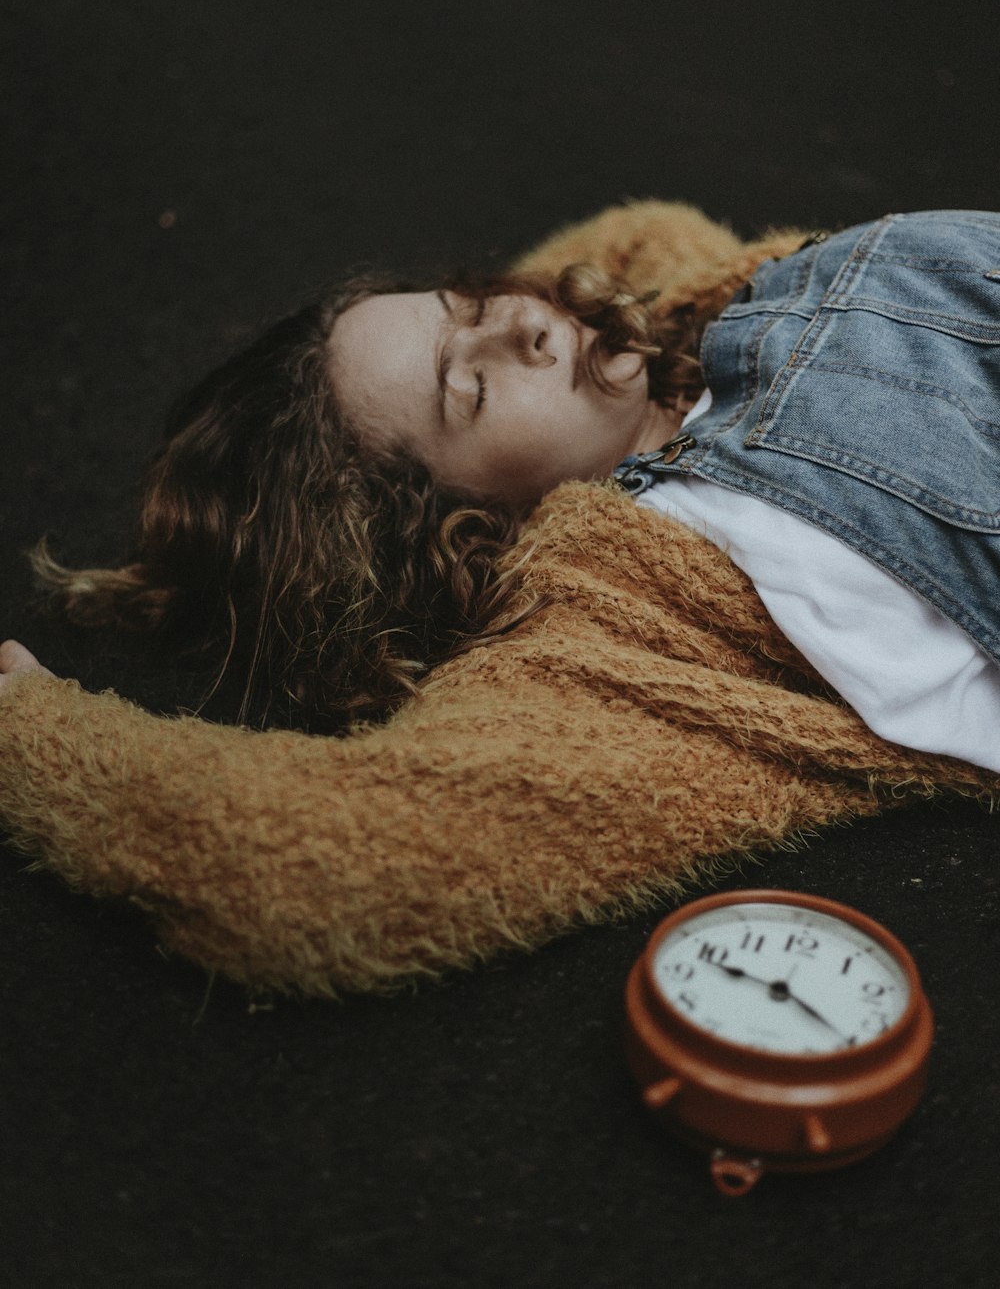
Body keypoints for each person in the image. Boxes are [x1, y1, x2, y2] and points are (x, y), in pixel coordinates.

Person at [0, 200, 997, 998]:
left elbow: (633, 235)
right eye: (466, 393)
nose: (524, 322)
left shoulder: (694, 313)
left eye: (469, 304)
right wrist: (29, 737)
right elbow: (324, 865)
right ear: (460, 536)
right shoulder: (625, 642)